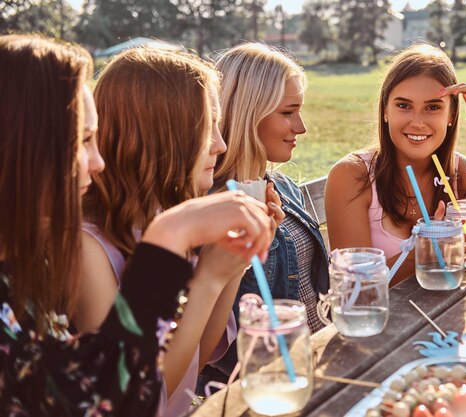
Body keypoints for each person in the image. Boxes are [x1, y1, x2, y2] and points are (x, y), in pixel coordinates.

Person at [0, 34, 273, 415]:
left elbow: (195, 355)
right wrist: (170, 243)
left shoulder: (19, 276)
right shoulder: (78, 246)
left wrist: (225, 264)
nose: (98, 162)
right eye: (83, 140)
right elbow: (122, 402)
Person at [75, 48, 282, 416]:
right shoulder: (89, 248)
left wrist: (232, 264)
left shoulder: (167, 216)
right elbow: (137, 397)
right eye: (208, 126)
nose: (220, 144)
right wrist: (206, 280)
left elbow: (197, 357)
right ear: (159, 134)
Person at [325, 43, 466, 284]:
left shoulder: (465, 177)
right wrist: (427, 249)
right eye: (404, 106)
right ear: (385, 110)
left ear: (451, 115)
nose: (417, 122)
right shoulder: (351, 175)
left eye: (432, 107)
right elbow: (355, 285)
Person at [206, 43, 330, 378]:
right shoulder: (208, 211)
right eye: (288, 112)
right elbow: (213, 345)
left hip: (320, 362)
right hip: (265, 382)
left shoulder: (285, 190)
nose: (300, 127)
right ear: (249, 113)